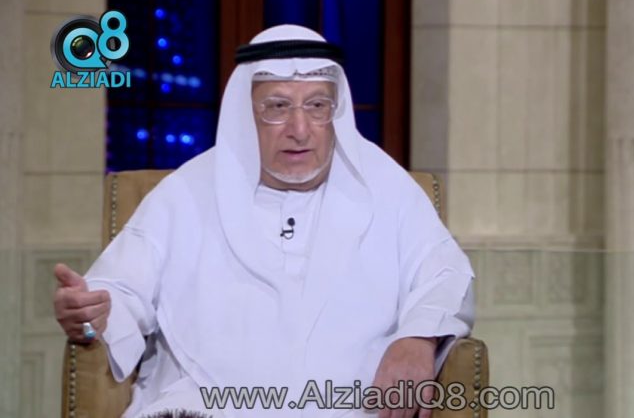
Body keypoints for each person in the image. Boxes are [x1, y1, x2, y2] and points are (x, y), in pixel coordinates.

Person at [53, 24, 475, 418]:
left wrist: (419, 336)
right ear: (246, 114)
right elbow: (119, 291)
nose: (300, 129)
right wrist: (90, 315)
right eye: (277, 107)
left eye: (317, 106)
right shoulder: (186, 192)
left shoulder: (385, 186)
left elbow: (446, 274)